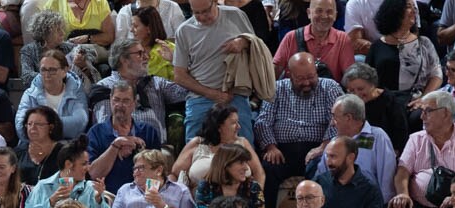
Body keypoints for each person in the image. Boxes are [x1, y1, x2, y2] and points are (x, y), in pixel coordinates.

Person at [255, 53, 345, 208]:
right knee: (268, 168)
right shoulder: (277, 88)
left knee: (321, 166)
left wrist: (323, 147)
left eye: (311, 77)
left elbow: (337, 121)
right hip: (282, 150)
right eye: (300, 78)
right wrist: (271, 147)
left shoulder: (330, 87)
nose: (306, 83)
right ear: (290, 75)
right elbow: (262, 121)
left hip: (318, 148)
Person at [172, 0, 256, 145]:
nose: (202, 17)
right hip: (200, 97)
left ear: (215, 3)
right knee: (195, 147)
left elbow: (255, 45)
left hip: (235, 94)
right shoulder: (184, 30)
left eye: (206, 11)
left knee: (244, 145)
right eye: (196, 13)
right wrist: (212, 94)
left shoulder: (235, 15)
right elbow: (179, 75)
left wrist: (241, 42)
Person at [92, 37, 188, 146]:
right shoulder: (105, 87)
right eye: (140, 53)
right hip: (118, 149)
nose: (146, 57)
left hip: (155, 151)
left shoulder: (156, 83)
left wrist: (176, 61)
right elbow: (104, 128)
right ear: (124, 59)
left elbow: (186, 92)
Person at [311, 93, 397, 204]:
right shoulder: (334, 143)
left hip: (367, 202)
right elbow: (321, 176)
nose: (332, 123)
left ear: (348, 118)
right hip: (337, 202)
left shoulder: (377, 137)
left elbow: (387, 178)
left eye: (335, 117)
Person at [86, 80, 163, 194]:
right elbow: (93, 175)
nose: (120, 105)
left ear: (134, 103)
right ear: (110, 100)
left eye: (125, 101)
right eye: (116, 100)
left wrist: (140, 152)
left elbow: (158, 172)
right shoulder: (96, 132)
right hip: (107, 196)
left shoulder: (148, 131)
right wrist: (116, 145)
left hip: (142, 196)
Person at [25, 138, 112, 208]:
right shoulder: (43, 186)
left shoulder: (91, 188)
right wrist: (51, 202)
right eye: (84, 164)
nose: (88, 168)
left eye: (88, 163)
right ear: (68, 164)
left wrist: (98, 200)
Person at [367, 0, 442, 97]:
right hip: (384, 102)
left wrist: (424, 98)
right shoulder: (377, 46)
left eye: (414, 7)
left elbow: (436, 75)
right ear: (393, 10)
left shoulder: (424, 43)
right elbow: (367, 79)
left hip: (416, 102)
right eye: (408, 6)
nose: (414, 10)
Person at [15, 48, 90, 142]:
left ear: (64, 71)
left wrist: (41, 127)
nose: (47, 74)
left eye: (52, 70)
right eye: (43, 70)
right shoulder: (30, 94)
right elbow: (20, 126)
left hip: (66, 148)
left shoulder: (76, 92)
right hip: (33, 146)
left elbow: (79, 123)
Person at [192, 142, 269, 208]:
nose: (246, 168)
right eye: (241, 163)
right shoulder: (206, 186)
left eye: (246, 163)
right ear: (226, 164)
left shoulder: (253, 187)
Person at [343, 61, 411, 152]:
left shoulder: (391, 103)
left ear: (373, 85)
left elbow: (401, 136)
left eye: (360, 89)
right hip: (357, 149)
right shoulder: (350, 103)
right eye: (351, 90)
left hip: (384, 150)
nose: (356, 94)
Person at [273, 0, 353, 75]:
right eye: (319, 11)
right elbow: (274, 72)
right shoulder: (290, 38)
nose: (324, 16)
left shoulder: (343, 39)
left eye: (329, 12)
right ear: (309, 13)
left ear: (335, 15)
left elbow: (349, 77)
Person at [21, 9, 97, 88]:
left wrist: (83, 63)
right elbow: (26, 76)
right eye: (58, 30)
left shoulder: (68, 47)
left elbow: (91, 57)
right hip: (39, 91)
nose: (62, 33)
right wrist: (55, 75)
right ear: (45, 32)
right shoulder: (29, 50)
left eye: (62, 29)